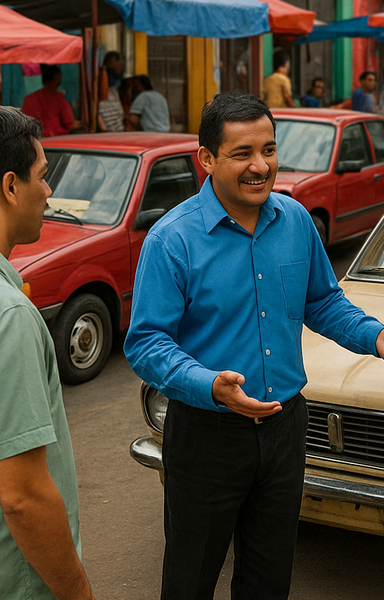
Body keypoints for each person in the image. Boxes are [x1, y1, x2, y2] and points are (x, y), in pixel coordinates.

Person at [123, 93, 384, 600]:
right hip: (207, 432)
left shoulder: (294, 221)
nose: (260, 166)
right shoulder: (172, 239)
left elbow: (322, 302)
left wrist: (375, 336)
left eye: (269, 150)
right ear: (206, 159)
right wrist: (209, 385)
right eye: (242, 153)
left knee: (270, 577)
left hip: (286, 427)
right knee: (190, 576)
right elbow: (145, 342)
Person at [0, 107, 95, 600]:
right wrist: (78, 592)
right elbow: (22, 495)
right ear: (10, 186)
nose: (49, 191)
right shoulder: (11, 316)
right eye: (43, 176)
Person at [21, 64, 82, 137]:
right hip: (55, 139)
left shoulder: (29, 98)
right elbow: (69, 125)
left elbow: (23, 123)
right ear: (57, 79)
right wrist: (83, 123)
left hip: (34, 139)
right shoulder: (59, 98)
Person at [98, 51, 125, 132]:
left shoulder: (118, 79)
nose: (121, 66)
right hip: (107, 118)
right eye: (120, 62)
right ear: (112, 61)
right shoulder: (103, 75)